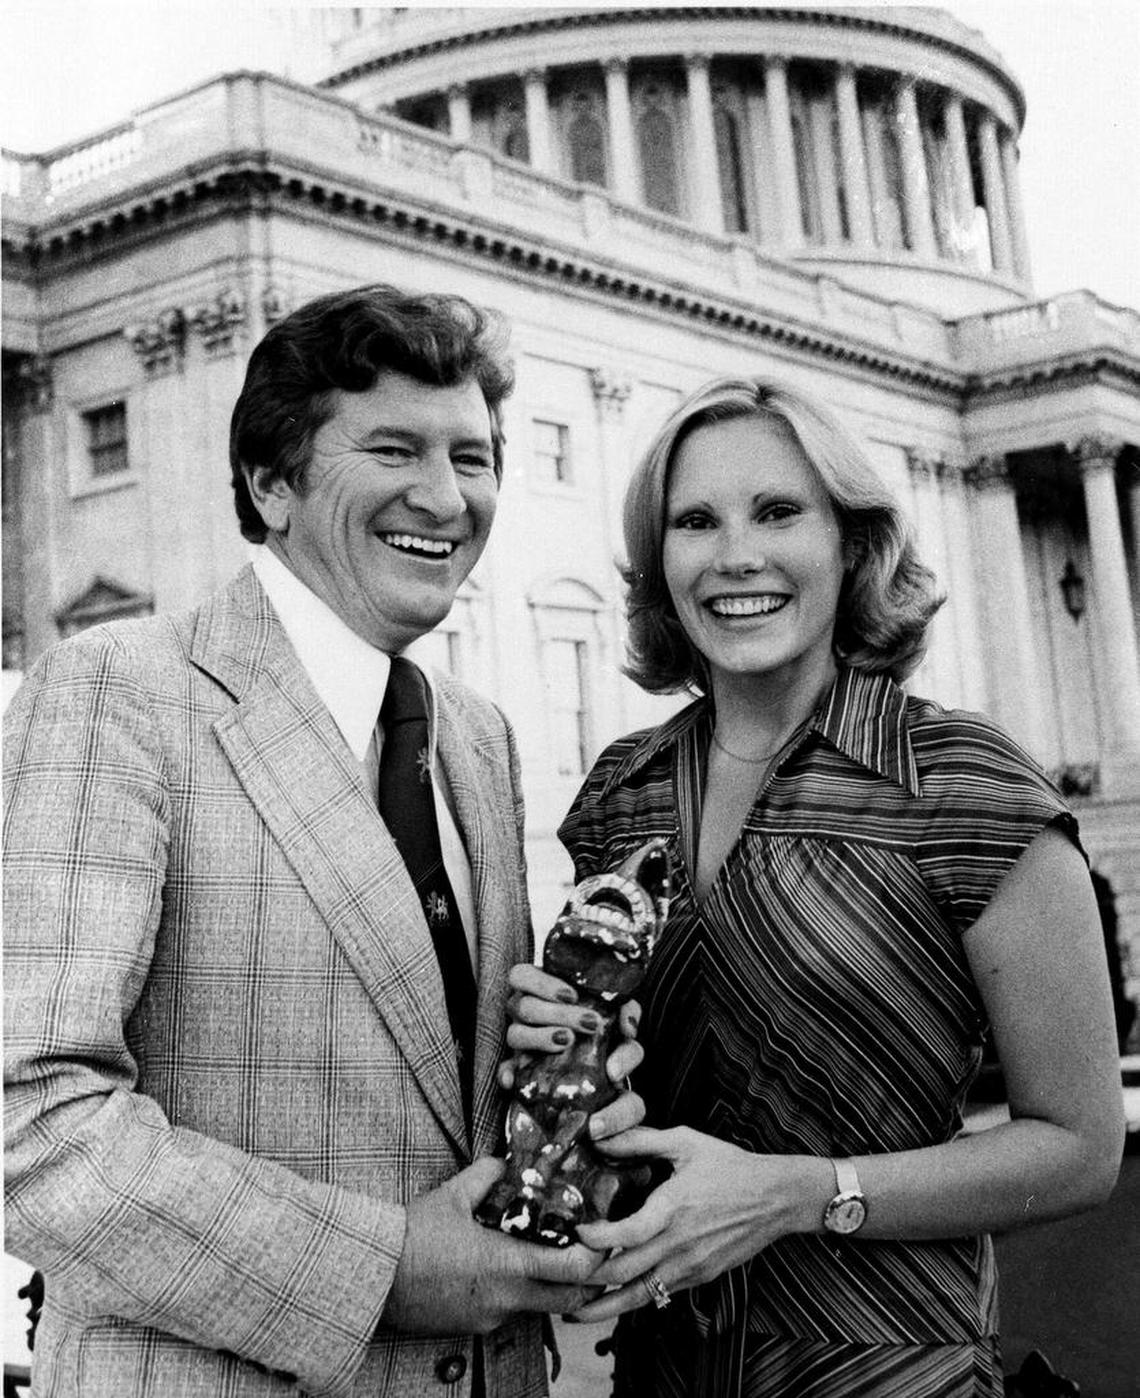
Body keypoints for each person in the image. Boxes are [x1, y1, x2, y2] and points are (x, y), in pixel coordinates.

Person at [3, 284, 642, 1398]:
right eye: (393, 448)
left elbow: (429, 1097)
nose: (445, 498)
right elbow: (31, 1123)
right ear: (271, 481)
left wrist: (561, 1112)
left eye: (475, 456)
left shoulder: (476, 739)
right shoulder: (118, 692)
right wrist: (387, 1269)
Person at [511, 376, 1125, 1396]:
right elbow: (623, 1106)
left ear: (851, 544)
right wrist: (557, 1058)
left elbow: (1080, 1148)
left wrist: (804, 1194)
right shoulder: (621, 794)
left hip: (890, 1372)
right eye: (696, 521)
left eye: (779, 512)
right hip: (662, 1372)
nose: (736, 553)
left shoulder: (966, 785)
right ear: (661, 566)